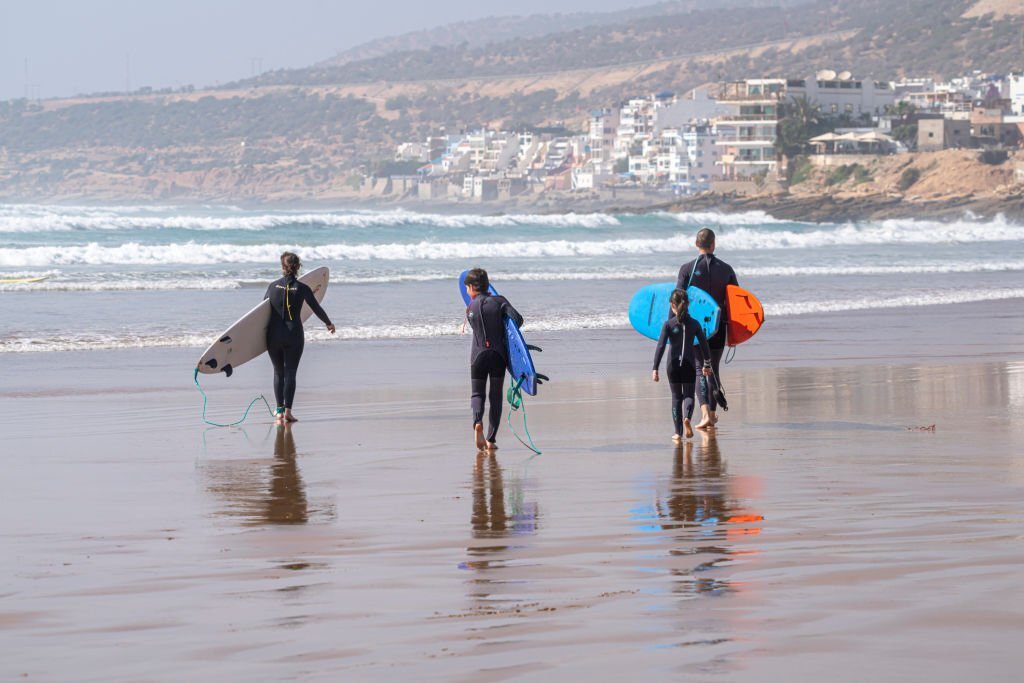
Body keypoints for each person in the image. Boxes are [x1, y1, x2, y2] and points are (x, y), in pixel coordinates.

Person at [675, 227, 738, 429]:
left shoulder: (686, 269)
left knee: (699, 370)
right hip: (719, 326)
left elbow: (677, 300)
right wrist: (736, 333)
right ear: (713, 244)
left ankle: (705, 415)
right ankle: (712, 414)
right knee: (713, 369)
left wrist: (673, 329)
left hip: (695, 327)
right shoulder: (726, 269)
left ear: (696, 244)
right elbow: (736, 301)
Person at [264, 252, 335, 423]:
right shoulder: (303, 289)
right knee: (290, 372)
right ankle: (288, 412)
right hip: (293, 334)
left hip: (273, 335)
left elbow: (261, 313)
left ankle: (279, 411)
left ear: (282, 267)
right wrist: (328, 323)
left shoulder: (272, 287)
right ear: (298, 267)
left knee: (278, 372)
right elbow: (316, 308)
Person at [464, 267, 523, 452]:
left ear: (473, 287)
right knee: (495, 396)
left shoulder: (470, 308)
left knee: (477, 394)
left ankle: (477, 422)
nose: (466, 291)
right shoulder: (499, 301)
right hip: (498, 356)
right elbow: (518, 321)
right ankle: (490, 440)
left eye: (467, 288)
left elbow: (475, 326)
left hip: (478, 356)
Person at [652, 288, 712, 441]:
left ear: (672, 305)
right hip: (689, 364)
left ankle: (677, 433)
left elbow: (660, 346)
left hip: (672, 365)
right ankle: (687, 419)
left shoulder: (668, 325)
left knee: (676, 397)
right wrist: (707, 364)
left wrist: (655, 368)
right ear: (688, 304)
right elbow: (704, 345)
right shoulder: (695, 324)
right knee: (688, 395)